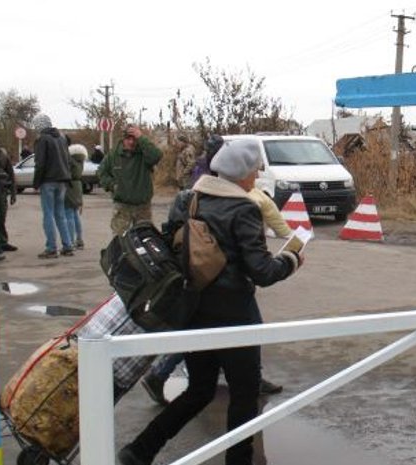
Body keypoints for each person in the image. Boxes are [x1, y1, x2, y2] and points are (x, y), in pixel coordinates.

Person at [118, 139, 303, 465]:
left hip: (193, 308)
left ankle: (140, 449)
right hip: (235, 315)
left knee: (199, 390)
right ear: (243, 173)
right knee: (244, 394)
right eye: (255, 169)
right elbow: (261, 271)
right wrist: (291, 259)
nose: (257, 175)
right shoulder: (244, 208)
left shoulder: (190, 199)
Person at [98, 125, 162, 235]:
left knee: (145, 238)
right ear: (123, 139)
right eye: (128, 139)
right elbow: (101, 172)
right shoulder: (113, 155)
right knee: (120, 239)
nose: (131, 142)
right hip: (122, 206)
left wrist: (141, 137)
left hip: (142, 206)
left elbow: (156, 156)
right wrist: (112, 185)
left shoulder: (144, 154)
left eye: (134, 139)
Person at [32, 114, 74, 259]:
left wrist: (36, 182)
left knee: (48, 214)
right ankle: (68, 246)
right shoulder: (61, 138)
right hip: (63, 180)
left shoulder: (43, 139)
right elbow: (68, 160)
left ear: (39, 126)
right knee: (60, 214)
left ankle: (51, 248)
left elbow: (40, 163)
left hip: (48, 180)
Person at [65, 144, 87, 249]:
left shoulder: (70, 162)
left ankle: (71, 240)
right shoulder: (80, 161)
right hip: (77, 187)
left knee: (69, 215)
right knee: (75, 215)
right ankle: (79, 239)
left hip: (69, 188)